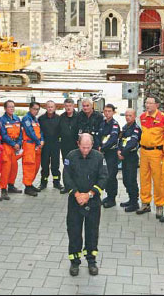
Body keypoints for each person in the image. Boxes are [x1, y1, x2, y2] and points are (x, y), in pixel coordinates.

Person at [63, 133, 108, 277]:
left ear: (92, 145)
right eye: (83, 147)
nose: (85, 150)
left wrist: (89, 194)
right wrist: (77, 194)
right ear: (78, 144)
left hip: (93, 201)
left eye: (88, 148)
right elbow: (67, 176)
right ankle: (75, 261)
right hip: (75, 201)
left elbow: (103, 177)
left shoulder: (99, 157)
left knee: (92, 231)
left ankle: (91, 260)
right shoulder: (71, 156)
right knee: (74, 231)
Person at [137, 96, 164, 218]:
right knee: (144, 178)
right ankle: (145, 203)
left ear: (157, 105)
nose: (147, 105)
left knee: (158, 180)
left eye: (150, 103)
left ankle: (159, 205)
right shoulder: (143, 117)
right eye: (146, 103)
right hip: (144, 151)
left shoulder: (163, 118)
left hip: (156, 153)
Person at [118, 108, 141, 212]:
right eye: (126, 115)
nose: (127, 117)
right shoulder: (124, 128)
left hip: (131, 157)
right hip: (124, 157)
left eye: (130, 115)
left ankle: (134, 202)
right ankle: (130, 199)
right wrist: (119, 150)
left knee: (131, 180)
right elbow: (120, 140)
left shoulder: (136, 129)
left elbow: (132, 143)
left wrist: (122, 153)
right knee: (126, 180)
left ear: (134, 116)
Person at [0, 100, 23, 200]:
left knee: (14, 167)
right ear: (5, 108)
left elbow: (21, 133)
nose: (12, 108)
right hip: (7, 147)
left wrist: (19, 143)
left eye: (13, 107)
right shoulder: (2, 120)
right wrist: (13, 144)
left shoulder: (17, 118)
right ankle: (3, 189)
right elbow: (3, 135)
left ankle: (11, 186)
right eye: (9, 107)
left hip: (16, 146)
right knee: (6, 168)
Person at [97, 104, 120, 209]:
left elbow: (113, 139)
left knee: (111, 176)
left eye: (109, 111)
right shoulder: (102, 123)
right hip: (102, 153)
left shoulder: (115, 125)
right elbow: (98, 136)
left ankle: (112, 198)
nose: (107, 113)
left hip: (111, 153)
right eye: (105, 111)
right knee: (104, 175)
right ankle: (107, 195)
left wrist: (103, 148)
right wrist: (98, 146)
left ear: (113, 112)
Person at [38, 100, 62, 190]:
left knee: (55, 164)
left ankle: (57, 182)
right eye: (48, 107)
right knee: (44, 164)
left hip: (55, 144)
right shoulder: (41, 119)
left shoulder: (59, 118)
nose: (50, 108)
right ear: (45, 107)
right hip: (45, 145)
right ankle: (43, 183)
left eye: (52, 107)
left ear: (55, 108)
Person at [22, 102, 44, 196]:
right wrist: (39, 142)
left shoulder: (35, 119)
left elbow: (40, 131)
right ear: (30, 108)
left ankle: (30, 184)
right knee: (29, 166)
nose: (36, 111)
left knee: (35, 166)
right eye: (34, 109)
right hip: (29, 146)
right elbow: (30, 132)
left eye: (38, 109)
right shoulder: (26, 118)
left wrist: (42, 140)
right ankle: (27, 187)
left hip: (36, 146)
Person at [58, 98, 79, 194]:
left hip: (76, 146)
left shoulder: (79, 117)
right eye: (66, 106)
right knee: (66, 166)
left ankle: (76, 186)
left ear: (73, 106)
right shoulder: (61, 117)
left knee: (77, 166)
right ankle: (67, 186)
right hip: (65, 146)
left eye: (70, 106)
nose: (68, 108)